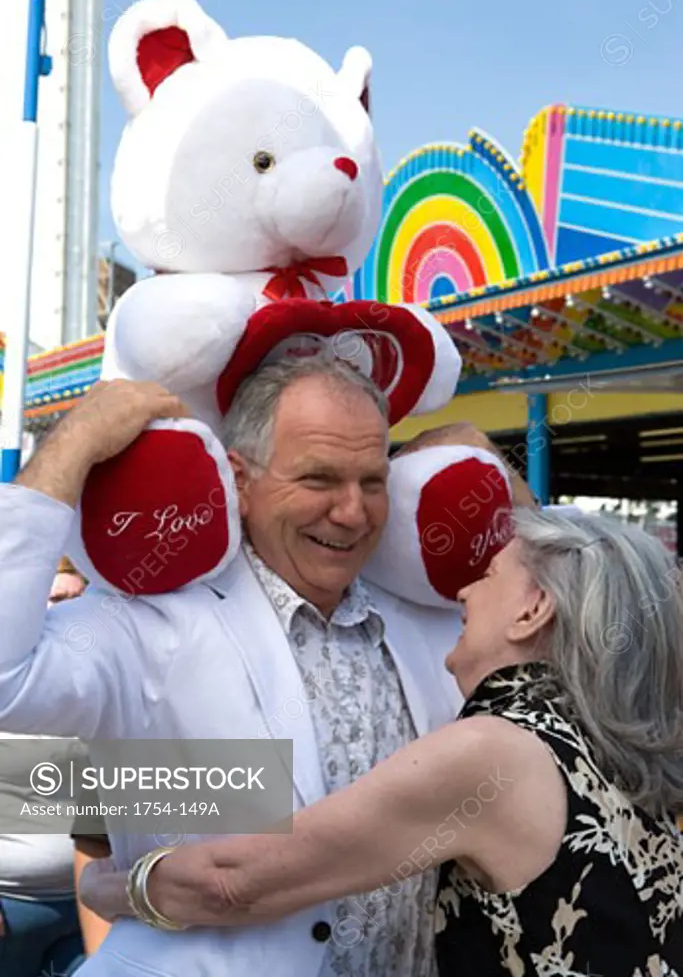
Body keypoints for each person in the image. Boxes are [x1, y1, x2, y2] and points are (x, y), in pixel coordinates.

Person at [0, 356, 507, 977]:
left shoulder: (427, 616)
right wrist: (72, 445)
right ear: (238, 479)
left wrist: (490, 465)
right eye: (319, 479)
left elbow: (577, 605)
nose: (352, 512)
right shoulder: (151, 621)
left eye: (372, 481)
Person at [80, 508, 683, 975]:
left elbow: (233, 880)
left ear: (534, 611)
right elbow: (43, 784)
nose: (463, 591)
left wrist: (107, 885)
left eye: (490, 574)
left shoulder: (493, 749)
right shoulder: (616, 743)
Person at [0, 564, 88, 977]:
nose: (62, 612)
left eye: (75, 599)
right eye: (53, 599)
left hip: (91, 908)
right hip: (10, 911)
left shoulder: (107, 686)